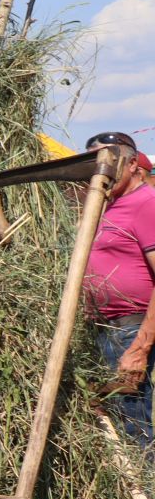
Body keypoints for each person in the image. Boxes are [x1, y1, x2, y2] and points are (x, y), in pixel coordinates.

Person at [82, 133, 155, 455]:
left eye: (106, 162)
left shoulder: (146, 204)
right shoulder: (108, 206)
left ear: (132, 163)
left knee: (135, 429)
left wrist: (139, 348)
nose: (98, 171)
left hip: (129, 331)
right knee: (114, 427)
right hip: (104, 331)